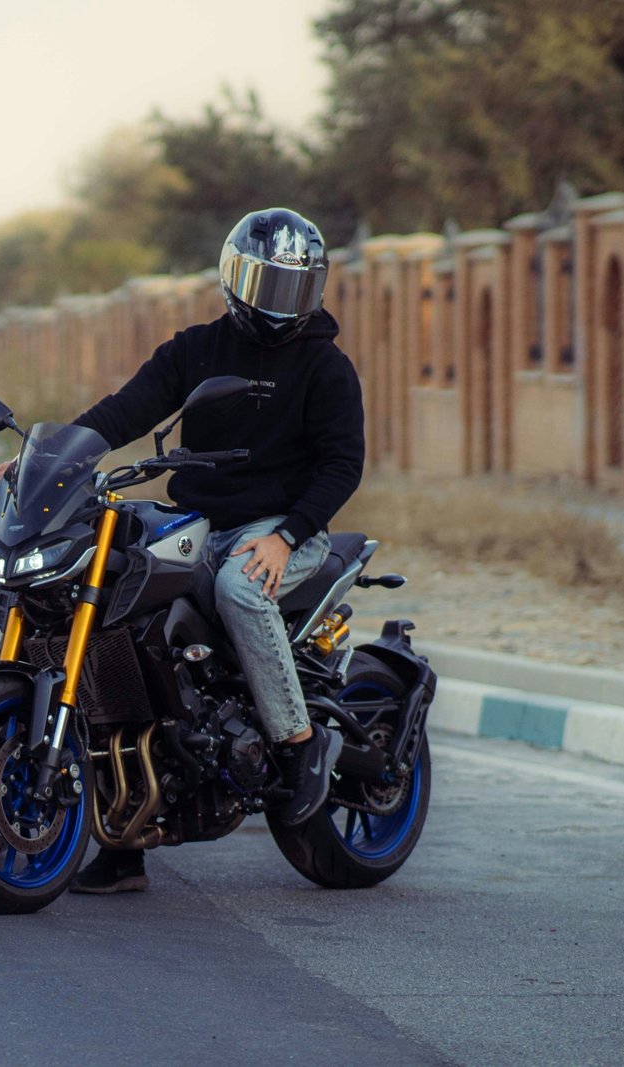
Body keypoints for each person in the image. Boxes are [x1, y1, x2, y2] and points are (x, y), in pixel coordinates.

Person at [60, 208, 364, 893]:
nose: (281, 303)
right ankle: (126, 835)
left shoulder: (325, 365)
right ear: (234, 279)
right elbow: (124, 409)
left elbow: (344, 464)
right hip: (198, 518)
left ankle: (299, 741)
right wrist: (51, 455)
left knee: (237, 588)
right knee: (120, 609)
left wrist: (286, 536)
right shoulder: (195, 350)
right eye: (268, 284)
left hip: (286, 528)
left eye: (295, 287)